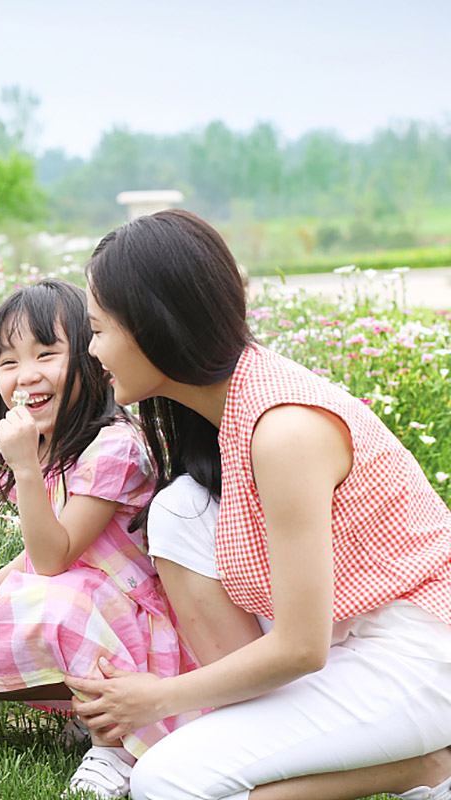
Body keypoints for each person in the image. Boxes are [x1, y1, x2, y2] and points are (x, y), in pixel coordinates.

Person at [68, 208, 451, 800]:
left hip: (417, 653)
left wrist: (157, 698)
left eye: (97, 328)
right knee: (177, 512)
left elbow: (302, 645)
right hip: (347, 633)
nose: (91, 349)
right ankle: (294, 736)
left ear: (152, 324)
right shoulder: (236, 403)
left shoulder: (284, 430)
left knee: (168, 783)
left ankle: (427, 768)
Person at [0, 278, 200, 799]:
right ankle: (92, 711)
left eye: (47, 354)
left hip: (134, 617)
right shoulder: (53, 446)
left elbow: (55, 557)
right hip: (88, 599)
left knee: (62, 607)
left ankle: (119, 747)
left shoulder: (114, 447)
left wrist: (26, 469)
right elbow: (50, 540)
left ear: (91, 358)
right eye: (8, 362)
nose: (26, 376)